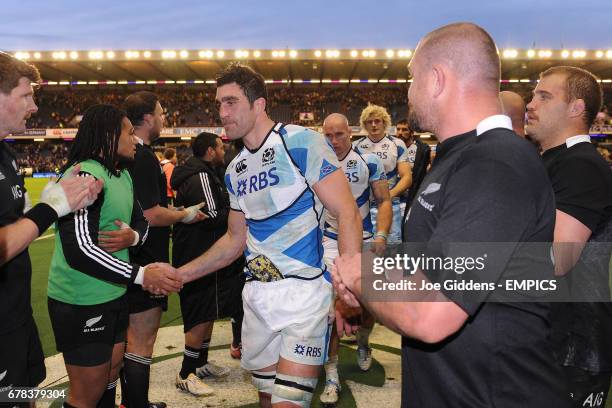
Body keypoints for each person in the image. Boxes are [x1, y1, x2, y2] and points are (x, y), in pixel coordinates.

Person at [333, 22, 571, 408]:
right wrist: (368, 295)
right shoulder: (460, 156)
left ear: (437, 79)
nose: (408, 91)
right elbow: (431, 264)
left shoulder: (494, 163)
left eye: (412, 78)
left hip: (493, 394)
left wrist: (360, 275)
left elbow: (431, 315)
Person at [150, 62, 362, 408]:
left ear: (259, 104)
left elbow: (347, 213)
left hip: (304, 295)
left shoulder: (300, 142)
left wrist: (348, 289)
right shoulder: (235, 169)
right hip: (258, 299)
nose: (222, 112)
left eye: (231, 102)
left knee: (287, 403)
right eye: (219, 103)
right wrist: (180, 274)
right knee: (267, 399)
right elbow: (234, 241)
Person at [47, 104, 181, 408]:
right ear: (109, 137)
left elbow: (142, 222)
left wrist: (132, 236)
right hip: (80, 300)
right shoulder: (83, 175)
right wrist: (143, 275)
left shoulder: (122, 174)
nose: (135, 139)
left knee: (110, 373)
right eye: (129, 133)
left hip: (114, 295)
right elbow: (79, 250)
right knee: (86, 394)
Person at [0, 52, 103, 401]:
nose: (34, 105)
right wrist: (50, 207)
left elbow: (17, 227)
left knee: (24, 392)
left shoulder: (7, 155)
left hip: (16, 316)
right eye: (26, 95)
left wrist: (59, 204)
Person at [527, 66, 612, 408]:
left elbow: (556, 259)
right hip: (549, 340)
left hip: (574, 350)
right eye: (533, 94)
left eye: (544, 96)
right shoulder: (551, 161)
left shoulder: (581, 164)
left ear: (576, 108)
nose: (530, 104)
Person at [120, 91, 205, 408]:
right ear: (146, 119)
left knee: (134, 336)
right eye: (161, 111)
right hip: (145, 260)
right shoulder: (141, 156)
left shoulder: (136, 156)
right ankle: (135, 404)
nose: (165, 116)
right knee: (142, 338)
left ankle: (132, 401)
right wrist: (185, 214)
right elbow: (151, 215)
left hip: (137, 256)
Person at [319, 113, 391, 405]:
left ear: (349, 132)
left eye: (340, 135)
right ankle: (332, 373)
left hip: (362, 241)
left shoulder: (370, 161)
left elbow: (384, 200)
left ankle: (363, 342)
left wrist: (382, 236)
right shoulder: (315, 161)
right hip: (329, 241)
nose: (334, 141)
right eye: (328, 136)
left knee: (367, 303)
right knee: (330, 309)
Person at [171, 132, 243, 396]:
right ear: (210, 151)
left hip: (205, 250)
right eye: (220, 147)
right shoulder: (201, 175)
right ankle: (185, 372)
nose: (224, 151)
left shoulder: (206, 172)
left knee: (209, 308)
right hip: (197, 252)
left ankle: (199, 364)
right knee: (200, 311)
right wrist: (240, 211)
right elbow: (212, 215)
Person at [354, 104, 411, 244]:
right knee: (366, 253)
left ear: (384, 122)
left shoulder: (397, 144)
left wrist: (387, 197)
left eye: (377, 121)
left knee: (391, 254)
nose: (373, 125)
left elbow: (407, 177)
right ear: (364, 124)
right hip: (364, 207)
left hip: (391, 205)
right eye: (369, 121)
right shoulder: (356, 146)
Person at [395, 118, 431, 211]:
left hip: (412, 194)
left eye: (404, 130)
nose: (400, 132)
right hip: (395, 194)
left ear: (412, 133)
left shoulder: (422, 150)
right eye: (398, 129)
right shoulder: (391, 149)